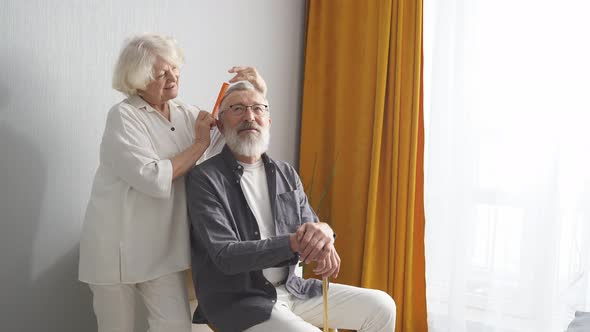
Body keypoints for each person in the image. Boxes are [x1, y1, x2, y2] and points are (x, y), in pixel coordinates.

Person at [78, 34, 267, 332]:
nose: (172, 77)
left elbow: (229, 139)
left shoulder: (187, 114)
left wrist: (256, 92)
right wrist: (199, 144)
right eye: (160, 73)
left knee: (176, 327)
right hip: (116, 250)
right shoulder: (123, 117)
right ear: (138, 79)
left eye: (174, 68)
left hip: (162, 250)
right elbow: (152, 177)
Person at [186, 81, 397, 332]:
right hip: (242, 301)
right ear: (220, 125)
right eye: (237, 109)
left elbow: (312, 226)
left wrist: (325, 234)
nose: (250, 117)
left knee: (381, 306)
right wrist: (292, 243)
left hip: (295, 290)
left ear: (268, 121)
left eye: (258, 108)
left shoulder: (286, 172)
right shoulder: (204, 179)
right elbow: (226, 256)